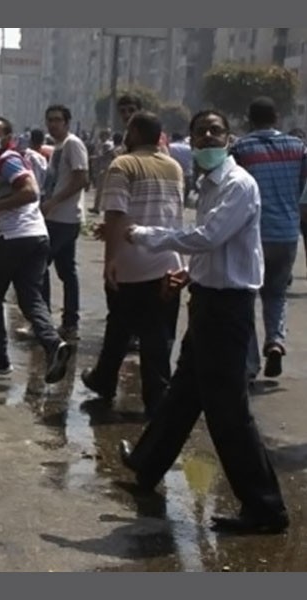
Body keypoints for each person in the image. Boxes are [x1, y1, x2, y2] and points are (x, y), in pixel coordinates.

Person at [118, 109, 289, 535]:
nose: (208, 137)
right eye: (201, 132)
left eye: (216, 130)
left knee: (228, 410)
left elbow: (208, 237)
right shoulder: (210, 184)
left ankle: (265, 507)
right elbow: (218, 250)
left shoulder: (237, 184)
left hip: (227, 308)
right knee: (184, 392)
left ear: (229, 138)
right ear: (191, 141)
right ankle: (146, 464)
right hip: (208, 299)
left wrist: (145, 235)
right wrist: (190, 275)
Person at [82, 112, 184, 418]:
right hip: (167, 261)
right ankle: (135, 390)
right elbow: (160, 212)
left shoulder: (123, 164)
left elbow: (116, 212)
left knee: (122, 324)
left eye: (128, 130)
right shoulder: (174, 167)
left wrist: (110, 260)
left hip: (131, 263)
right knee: (156, 334)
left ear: (136, 132)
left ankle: (115, 383)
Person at [0, 116, 72, 382]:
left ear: (7, 137)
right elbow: (14, 198)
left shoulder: (7, 159)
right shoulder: (4, 160)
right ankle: (54, 344)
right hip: (36, 236)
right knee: (30, 298)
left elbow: (29, 192)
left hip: (17, 237)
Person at [231, 97, 307, 379]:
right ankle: (275, 340)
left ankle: (250, 365)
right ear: (277, 117)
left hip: (253, 234)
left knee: (246, 297)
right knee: (276, 293)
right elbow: (303, 186)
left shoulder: (241, 148)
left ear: (249, 119)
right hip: (287, 233)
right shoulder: (298, 147)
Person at [38, 104, 89, 342]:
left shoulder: (72, 144)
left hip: (64, 218)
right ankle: (69, 323)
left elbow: (81, 179)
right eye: (50, 120)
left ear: (67, 122)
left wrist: (54, 202)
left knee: (39, 266)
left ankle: (43, 322)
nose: (53, 124)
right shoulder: (57, 147)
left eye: (57, 120)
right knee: (66, 270)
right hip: (55, 216)